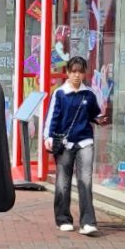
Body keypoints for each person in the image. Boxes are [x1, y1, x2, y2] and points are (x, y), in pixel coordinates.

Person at [44, 56, 105, 236]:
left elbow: (95, 114)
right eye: (73, 72)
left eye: (80, 71)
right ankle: (63, 218)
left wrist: (100, 119)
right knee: (63, 182)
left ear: (84, 73)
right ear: (68, 73)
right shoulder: (60, 94)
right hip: (65, 143)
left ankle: (88, 222)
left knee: (85, 180)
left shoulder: (89, 95)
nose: (77, 75)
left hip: (85, 141)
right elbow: (52, 117)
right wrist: (48, 137)